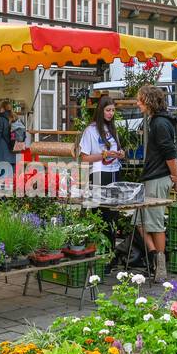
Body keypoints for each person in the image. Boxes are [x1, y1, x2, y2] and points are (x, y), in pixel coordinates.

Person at [136, 84, 177, 282]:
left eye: (140, 100)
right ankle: (155, 257)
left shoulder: (160, 124)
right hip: (151, 177)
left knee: (155, 223)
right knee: (139, 221)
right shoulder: (156, 120)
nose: (137, 103)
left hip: (157, 177)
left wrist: (176, 180)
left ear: (149, 101)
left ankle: (160, 266)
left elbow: (170, 154)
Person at [77, 94, 124, 265]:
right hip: (98, 175)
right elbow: (85, 158)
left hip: (114, 173)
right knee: (100, 216)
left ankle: (110, 257)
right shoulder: (91, 130)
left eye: (113, 110)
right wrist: (104, 154)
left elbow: (118, 149)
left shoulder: (113, 129)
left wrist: (120, 153)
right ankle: (99, 257)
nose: (111, 114)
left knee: (113, 216)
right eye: (108, 110)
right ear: (101, 110)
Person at [0, 100, 17, 179]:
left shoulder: (0, 119)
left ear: (2, 108)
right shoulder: (14, 118)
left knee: (1, 179)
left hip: (2, 154)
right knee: (11, 179)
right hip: (13, 154)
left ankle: (2, 190)